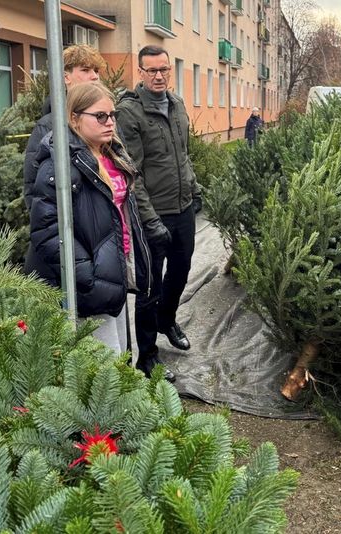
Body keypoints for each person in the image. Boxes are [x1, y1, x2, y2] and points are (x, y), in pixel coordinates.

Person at [27, 82, 154, 360]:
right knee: (103, 366)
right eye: (100, 116)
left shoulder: (111, 155)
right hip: (93, 284)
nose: (110, 123)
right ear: (74, 118)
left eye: (112, 115)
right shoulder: (60, 164)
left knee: (122, 356)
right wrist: (89, 279)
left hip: (114, 270)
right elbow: (47, 231)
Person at [116, 45, 201, 374]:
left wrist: (194, 190)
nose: (159, 75)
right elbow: (131, 173)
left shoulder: (177, 105)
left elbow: (184, 155)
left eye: (164, 69)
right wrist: (150, 221)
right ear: (140, 72)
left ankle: (168, 321)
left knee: (180, 273)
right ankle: (148, 356)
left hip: (183, 210)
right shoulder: (130, 113)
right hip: (154, 217)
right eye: (151, 70)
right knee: (149, 288)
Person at [23, 44, 105, 211]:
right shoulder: (49, 126)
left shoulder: (109, 119)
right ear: (66, 77)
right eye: (86, 70)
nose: (94, 76)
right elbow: (34, 189)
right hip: (72, 227)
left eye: (96, 71)